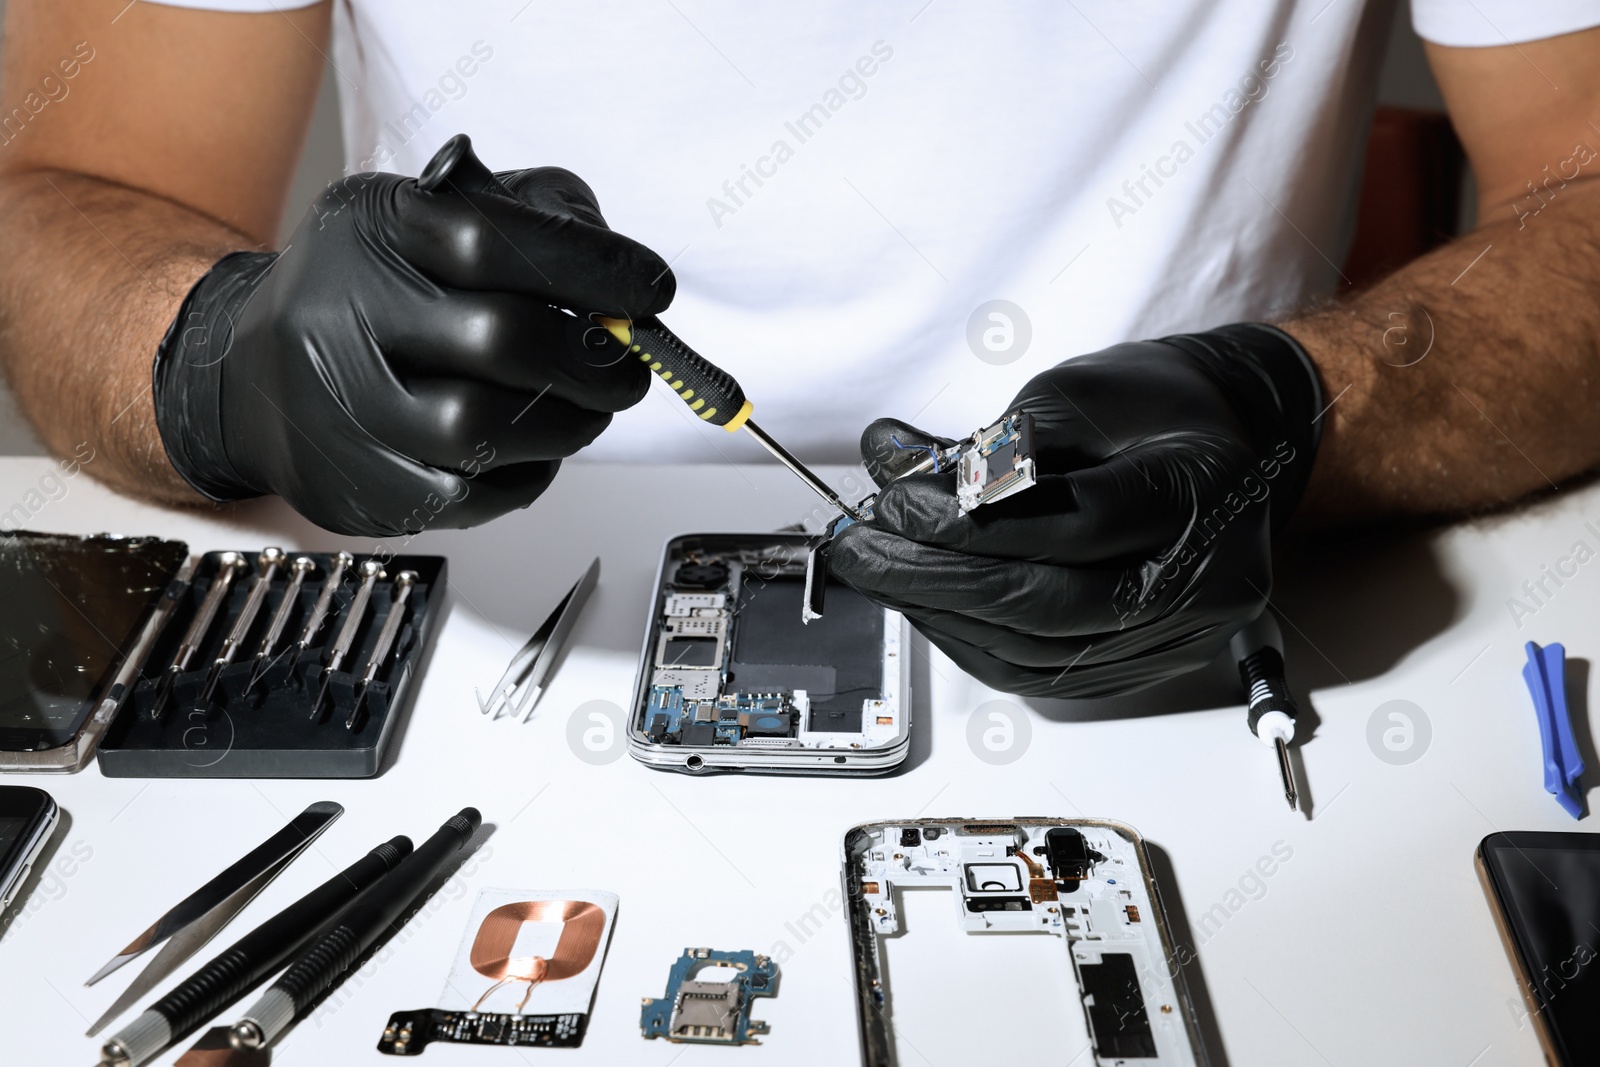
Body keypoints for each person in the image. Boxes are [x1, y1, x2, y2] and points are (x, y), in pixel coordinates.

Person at [1, 1, 1597, 697]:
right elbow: (63, 196)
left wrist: (1311, 414)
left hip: (1230, 612)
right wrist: (226, 354)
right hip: (476, 632)